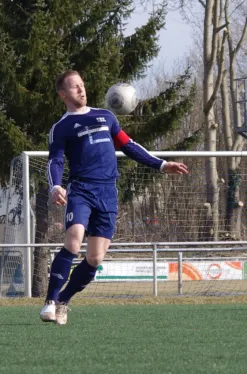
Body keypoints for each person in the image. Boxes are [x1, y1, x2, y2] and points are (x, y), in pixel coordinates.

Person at [40, 70, 188, 325]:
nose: (81, 90)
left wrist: (162, 165)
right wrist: (56, 187)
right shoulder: (61, 127)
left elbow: (129, 145)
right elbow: (55, 161)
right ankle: (50, 301)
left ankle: (64, 300)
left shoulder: (105, 116)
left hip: (108, 192)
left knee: (95, 259)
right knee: (74, 241)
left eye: (82, 85)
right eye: (75, 87)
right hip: (82, 190)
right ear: (63, 94)